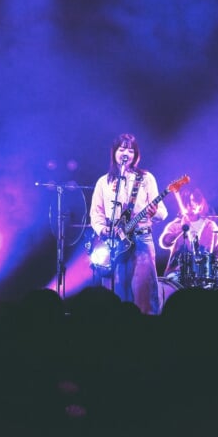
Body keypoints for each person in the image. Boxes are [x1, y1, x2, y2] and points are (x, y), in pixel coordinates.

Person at [90, 133, 168, 314]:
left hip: (141, 239)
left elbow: (163, 212)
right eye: (122, 149)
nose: (126, 153)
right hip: (115, 243)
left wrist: (154, 213)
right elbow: (96, 213)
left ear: (136, 155)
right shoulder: (104, 182)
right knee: (118, 294)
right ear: (114, 152)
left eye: (130, 150)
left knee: (144, 294)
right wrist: (103, 230)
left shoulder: (146, 178)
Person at [159, 187, 218, 288]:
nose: (192, 204)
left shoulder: (210, 226)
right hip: (177, 273)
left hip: (202, 276)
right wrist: (180, 230)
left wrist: (208, 265)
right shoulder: (176, 225)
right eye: (188, 201)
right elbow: (165, 242)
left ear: (201, 203)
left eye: (195, 200)